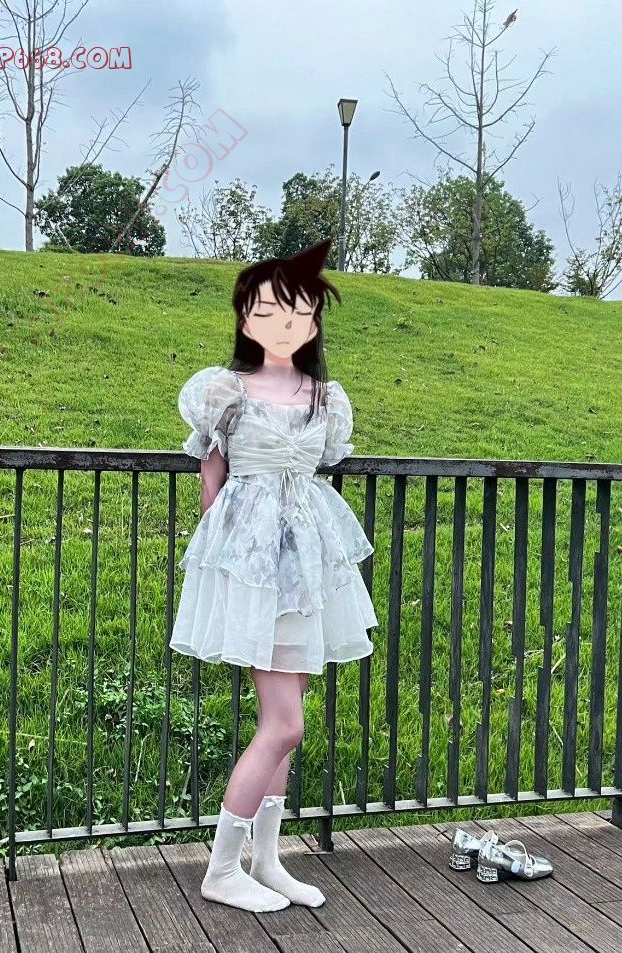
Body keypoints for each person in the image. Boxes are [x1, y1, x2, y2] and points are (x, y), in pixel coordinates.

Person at [169, 238, 379, 913]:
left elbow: (319, 472)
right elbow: (212, 490)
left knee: (284, 720)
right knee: (285, 725)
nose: (280, 323)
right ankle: (221, 868)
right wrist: (230, 573)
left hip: (308, 568)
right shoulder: (224, 392)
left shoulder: (325, 397)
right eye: (263, 310)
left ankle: (265, 859)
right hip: (254, 568)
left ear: (313, 321)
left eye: (296, 312)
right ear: (245, 318)